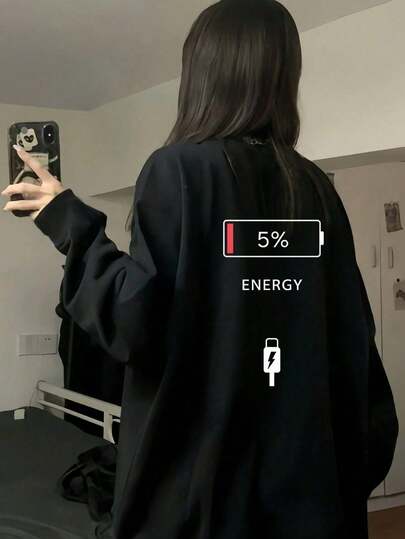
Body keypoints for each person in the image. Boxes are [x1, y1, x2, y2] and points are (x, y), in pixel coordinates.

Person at [1, 0, 398, 538]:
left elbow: (135, 320)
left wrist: (66, 219)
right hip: (309, 494)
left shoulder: (182, 170)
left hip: (208, 498)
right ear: (284, 74)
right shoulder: (315, 187)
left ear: (202, 73)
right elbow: (351, 338)